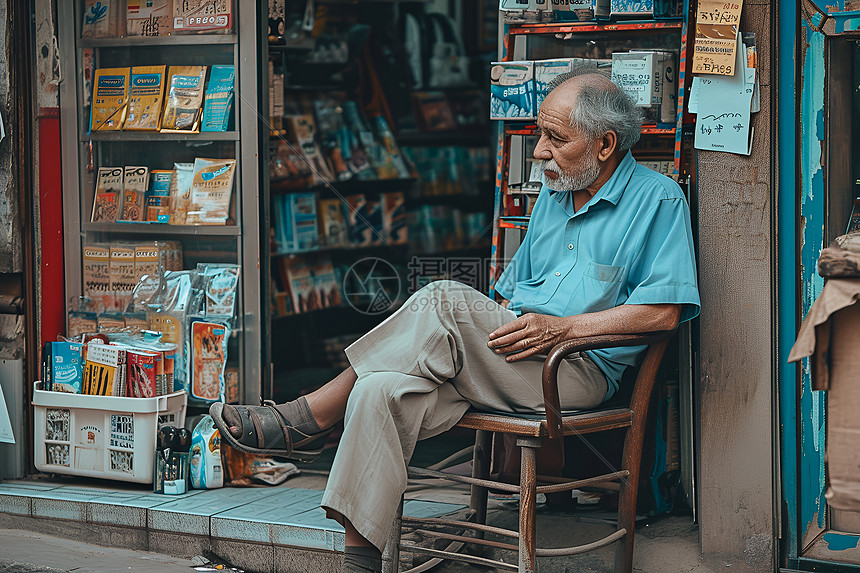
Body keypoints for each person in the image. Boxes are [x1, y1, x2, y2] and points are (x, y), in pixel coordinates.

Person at [211, 72, 700, 573]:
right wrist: (493, 332)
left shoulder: (657, 201)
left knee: (444, 296)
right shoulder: (553, 199)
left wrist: (565, 329)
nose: (538, 152)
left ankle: (306, 417)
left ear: (605, 145)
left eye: (556, 138)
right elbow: (510, 294)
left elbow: (663, 312)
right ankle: (359, 565)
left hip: (572, 370)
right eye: (539, 135)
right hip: (510, 356)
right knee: (378, 390)